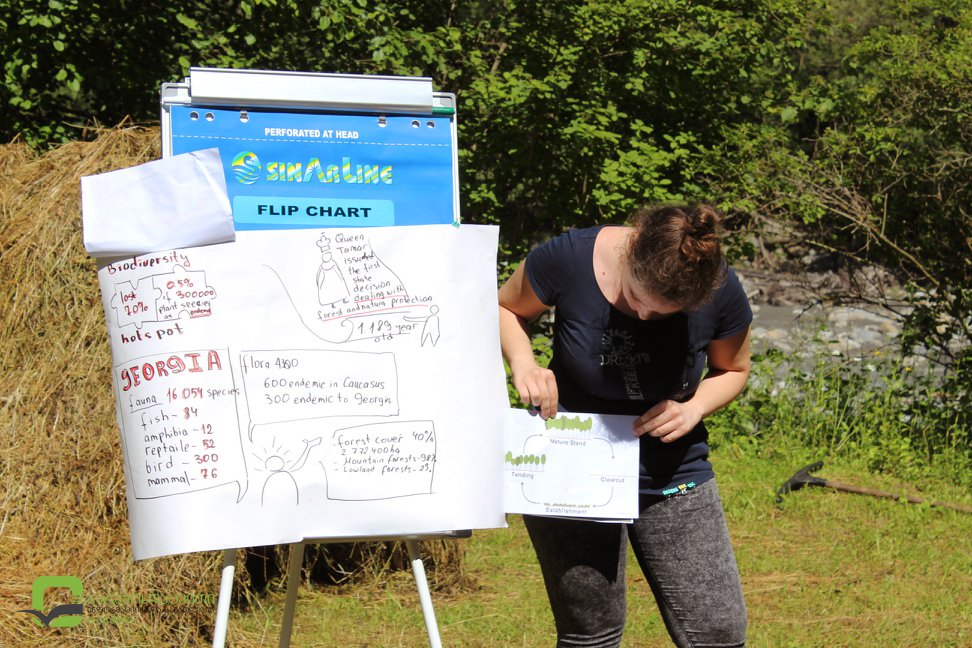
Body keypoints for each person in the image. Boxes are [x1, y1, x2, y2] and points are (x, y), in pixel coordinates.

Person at [498, 203, 751, 648]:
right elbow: (504, 308)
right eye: (637, 299)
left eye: (666, 313)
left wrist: (694, 407)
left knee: (718, 631)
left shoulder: (718, 287)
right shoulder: (570, 257)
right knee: (591, 632)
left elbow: (733, 369)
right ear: (630, 252)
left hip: (671, 468)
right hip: (572, 461)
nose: (646, 317)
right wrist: (524, 364)